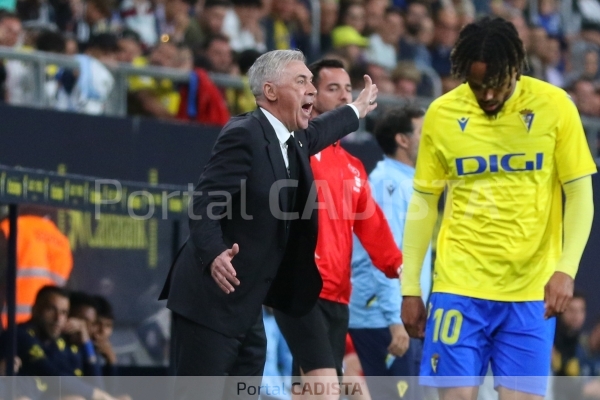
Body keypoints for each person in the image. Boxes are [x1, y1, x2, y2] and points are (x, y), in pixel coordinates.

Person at [158, 49, 378, 392]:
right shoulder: (245, 133)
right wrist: (215, 252)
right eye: (301, 81)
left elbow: (324, 127)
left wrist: (358, 108)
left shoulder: (294, 139)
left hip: (247, 309)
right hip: (210, 301)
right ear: (271, 91)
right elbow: (204, 203)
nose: (312, 91)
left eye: (311, 81)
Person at [400, 16, 597, 400]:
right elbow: (423, 201)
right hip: (458, 287)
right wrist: (411, 288)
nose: (486, 96)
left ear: (516, 70)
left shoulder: (555, 107)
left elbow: (580, 194)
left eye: (496, 85)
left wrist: (566, 269)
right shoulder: (441, 114)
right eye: (475, 87)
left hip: (530, 293)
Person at [272, 58, 401, 399]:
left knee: (310, 392)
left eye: (348, 89)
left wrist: (399, 266)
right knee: (326, 390)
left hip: (339, 296)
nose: (345, 97)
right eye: (334, 89)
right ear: (311, 96)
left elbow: (373, 227)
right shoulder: (294, 147)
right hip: (301, 289)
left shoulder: (353, 166)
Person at [348, 106, 431, 400]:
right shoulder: (388, 183)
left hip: (403, 316)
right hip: (384, 318)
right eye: (423, 132)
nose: (431, 139)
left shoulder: (410, 181)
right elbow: (383, 256)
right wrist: (396, 320)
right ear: (403, 140)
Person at [0, 285, 119, 400]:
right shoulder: (21, 335)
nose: (58, 318)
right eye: (51, 310)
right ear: (35, 309)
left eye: (63, 313)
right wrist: (101, 396)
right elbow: (51, 375)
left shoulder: (53, 342)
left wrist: (88, 345)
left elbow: (91, 387)